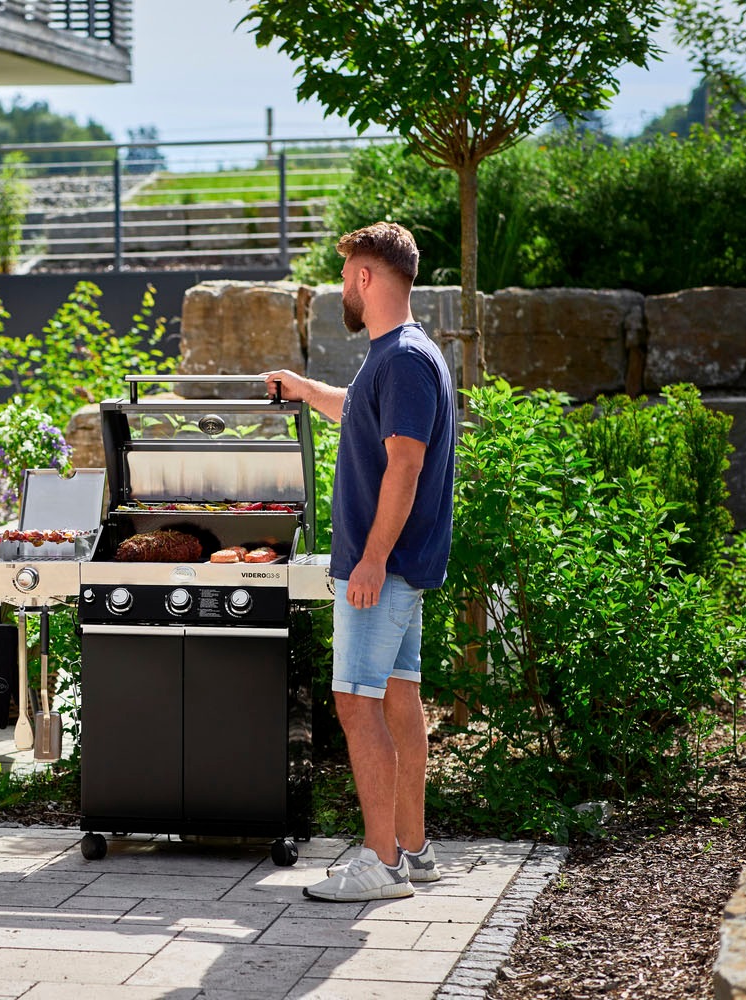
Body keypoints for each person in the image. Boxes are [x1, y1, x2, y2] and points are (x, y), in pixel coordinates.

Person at [260, 221, 456, 902]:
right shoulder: (399, 354)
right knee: (399, 699)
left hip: (385, 567)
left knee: (355, 702)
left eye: (347, 276)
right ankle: (412, 849)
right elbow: (360, 413)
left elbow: (405, 463)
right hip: (399, 567)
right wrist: (302, 388)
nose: (342, 287)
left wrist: (370, 561)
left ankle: (380, 864)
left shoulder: (401, 358)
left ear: (367, 278)